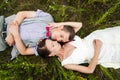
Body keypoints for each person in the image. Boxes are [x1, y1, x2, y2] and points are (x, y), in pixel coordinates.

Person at [9, 26, 120, 74]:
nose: (56, 43)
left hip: (98, 37)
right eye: (52, 46)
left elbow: (78, 25)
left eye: (52, 41)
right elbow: (90, 70)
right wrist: (97, 49)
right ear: (51, 54)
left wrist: (57, 25)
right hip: (103, 52)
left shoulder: (64, 40)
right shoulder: (66, 63)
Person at [0, 9, 82, 59]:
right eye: (61, 36)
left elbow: (24, 51)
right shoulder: (47, 18)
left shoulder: (46, 45)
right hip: (3, 24)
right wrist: (11, 34)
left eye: (61, 40)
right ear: (60, 27)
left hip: (2, 42)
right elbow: (22, 14)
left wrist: (16, 35)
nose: (58, 40)